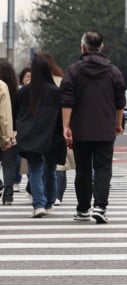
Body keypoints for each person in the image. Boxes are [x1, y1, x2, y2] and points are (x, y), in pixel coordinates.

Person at [60, 30, 127, 224]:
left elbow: (67, 100)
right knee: (103, 168)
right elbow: (119, 101)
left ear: (83, 47)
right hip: (105, 129)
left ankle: (82, 210)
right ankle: (100, 207)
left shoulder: (73, 70)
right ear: (101, 47)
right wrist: (117, 124)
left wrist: (66, 126)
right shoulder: (114, 71)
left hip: (80, 129)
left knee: (83, 169)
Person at [15, 55, 66, 217]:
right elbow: (61, 115)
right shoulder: (56, 92)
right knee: (50, 170)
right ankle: (50, 202)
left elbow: (16, 113)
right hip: (52, 136)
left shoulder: (24, 91)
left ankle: (39, 204)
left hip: (31, 137)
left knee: (35, 170)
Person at [36, 52, 72, 206]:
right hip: (58, 127)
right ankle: (55, 196)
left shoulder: (35, 85)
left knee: (39, 166)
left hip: (41, 129)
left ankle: (43, 197)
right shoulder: (62, 81)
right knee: (58, 164)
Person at [0, 60, 18, 205]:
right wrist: (7, 136)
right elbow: (5, 115)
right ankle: (8, 193)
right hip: (10, 130)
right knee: (9, 163)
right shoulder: (13, 91)